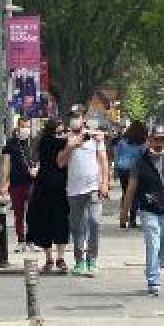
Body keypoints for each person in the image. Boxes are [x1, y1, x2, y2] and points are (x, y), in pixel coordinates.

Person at [120, 124, 164, 296]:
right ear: (150, 140)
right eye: (156, 139)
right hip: (148, 209)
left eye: (162, 139)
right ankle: (153, 280)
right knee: (153, 243)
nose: (159, 143)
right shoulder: (141, 160)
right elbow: (131, 188)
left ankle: (155, 266)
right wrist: (125, 212)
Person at [58, 115, 110, 277]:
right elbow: (60, 162)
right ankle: (80, 261)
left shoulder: (95, 138)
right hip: (74, 190)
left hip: (94, 188)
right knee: (77, 227)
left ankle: (92, 259)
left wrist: (104, 183)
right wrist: (71, 147)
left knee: (95, 223)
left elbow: (103, 161)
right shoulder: (67, 139)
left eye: (79, 119)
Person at [25, 119, 70, 273]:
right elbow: (62, 159)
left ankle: (52, 257)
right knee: (57, 221)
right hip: (54, 186)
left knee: (50, 221)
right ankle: (56, 257)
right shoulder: (54, 142)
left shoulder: (43, 141)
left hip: (46, 186)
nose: (62, 134)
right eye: (60, 131)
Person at [0, 117, 37, 252]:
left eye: (27, 127)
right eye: (23, 126)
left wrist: (37, 170)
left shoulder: (34, 143)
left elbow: (41, 160)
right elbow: (6, 164)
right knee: (19, 213)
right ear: (17, 127)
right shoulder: (11, 144)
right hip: (16, 183)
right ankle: (21, 240)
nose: (25, 130)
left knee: (33, 212)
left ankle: (31, 240)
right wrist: (4, 183)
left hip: (32, 183)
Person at [114, 121, 147, 229]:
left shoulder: (122, 141)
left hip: (122, 168)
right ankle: (132, 220)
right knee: (135, 195)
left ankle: (123, 219)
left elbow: (117, 155)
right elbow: (143, 157)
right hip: (135, 169)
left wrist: (115, 170)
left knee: (125, 193)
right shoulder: (142, 143)